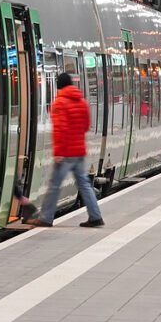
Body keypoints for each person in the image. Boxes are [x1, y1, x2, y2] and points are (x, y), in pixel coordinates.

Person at [23, 72, 103, 228]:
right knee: (85, 185)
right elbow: (86, 126)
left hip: (66, 152)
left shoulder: (60, 103)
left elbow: (60, 129)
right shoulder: (82, 102)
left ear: (59, 85)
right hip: (79, 151)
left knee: (54, 185)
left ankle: (45, 218)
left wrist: (59, 151)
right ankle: (95, 216)